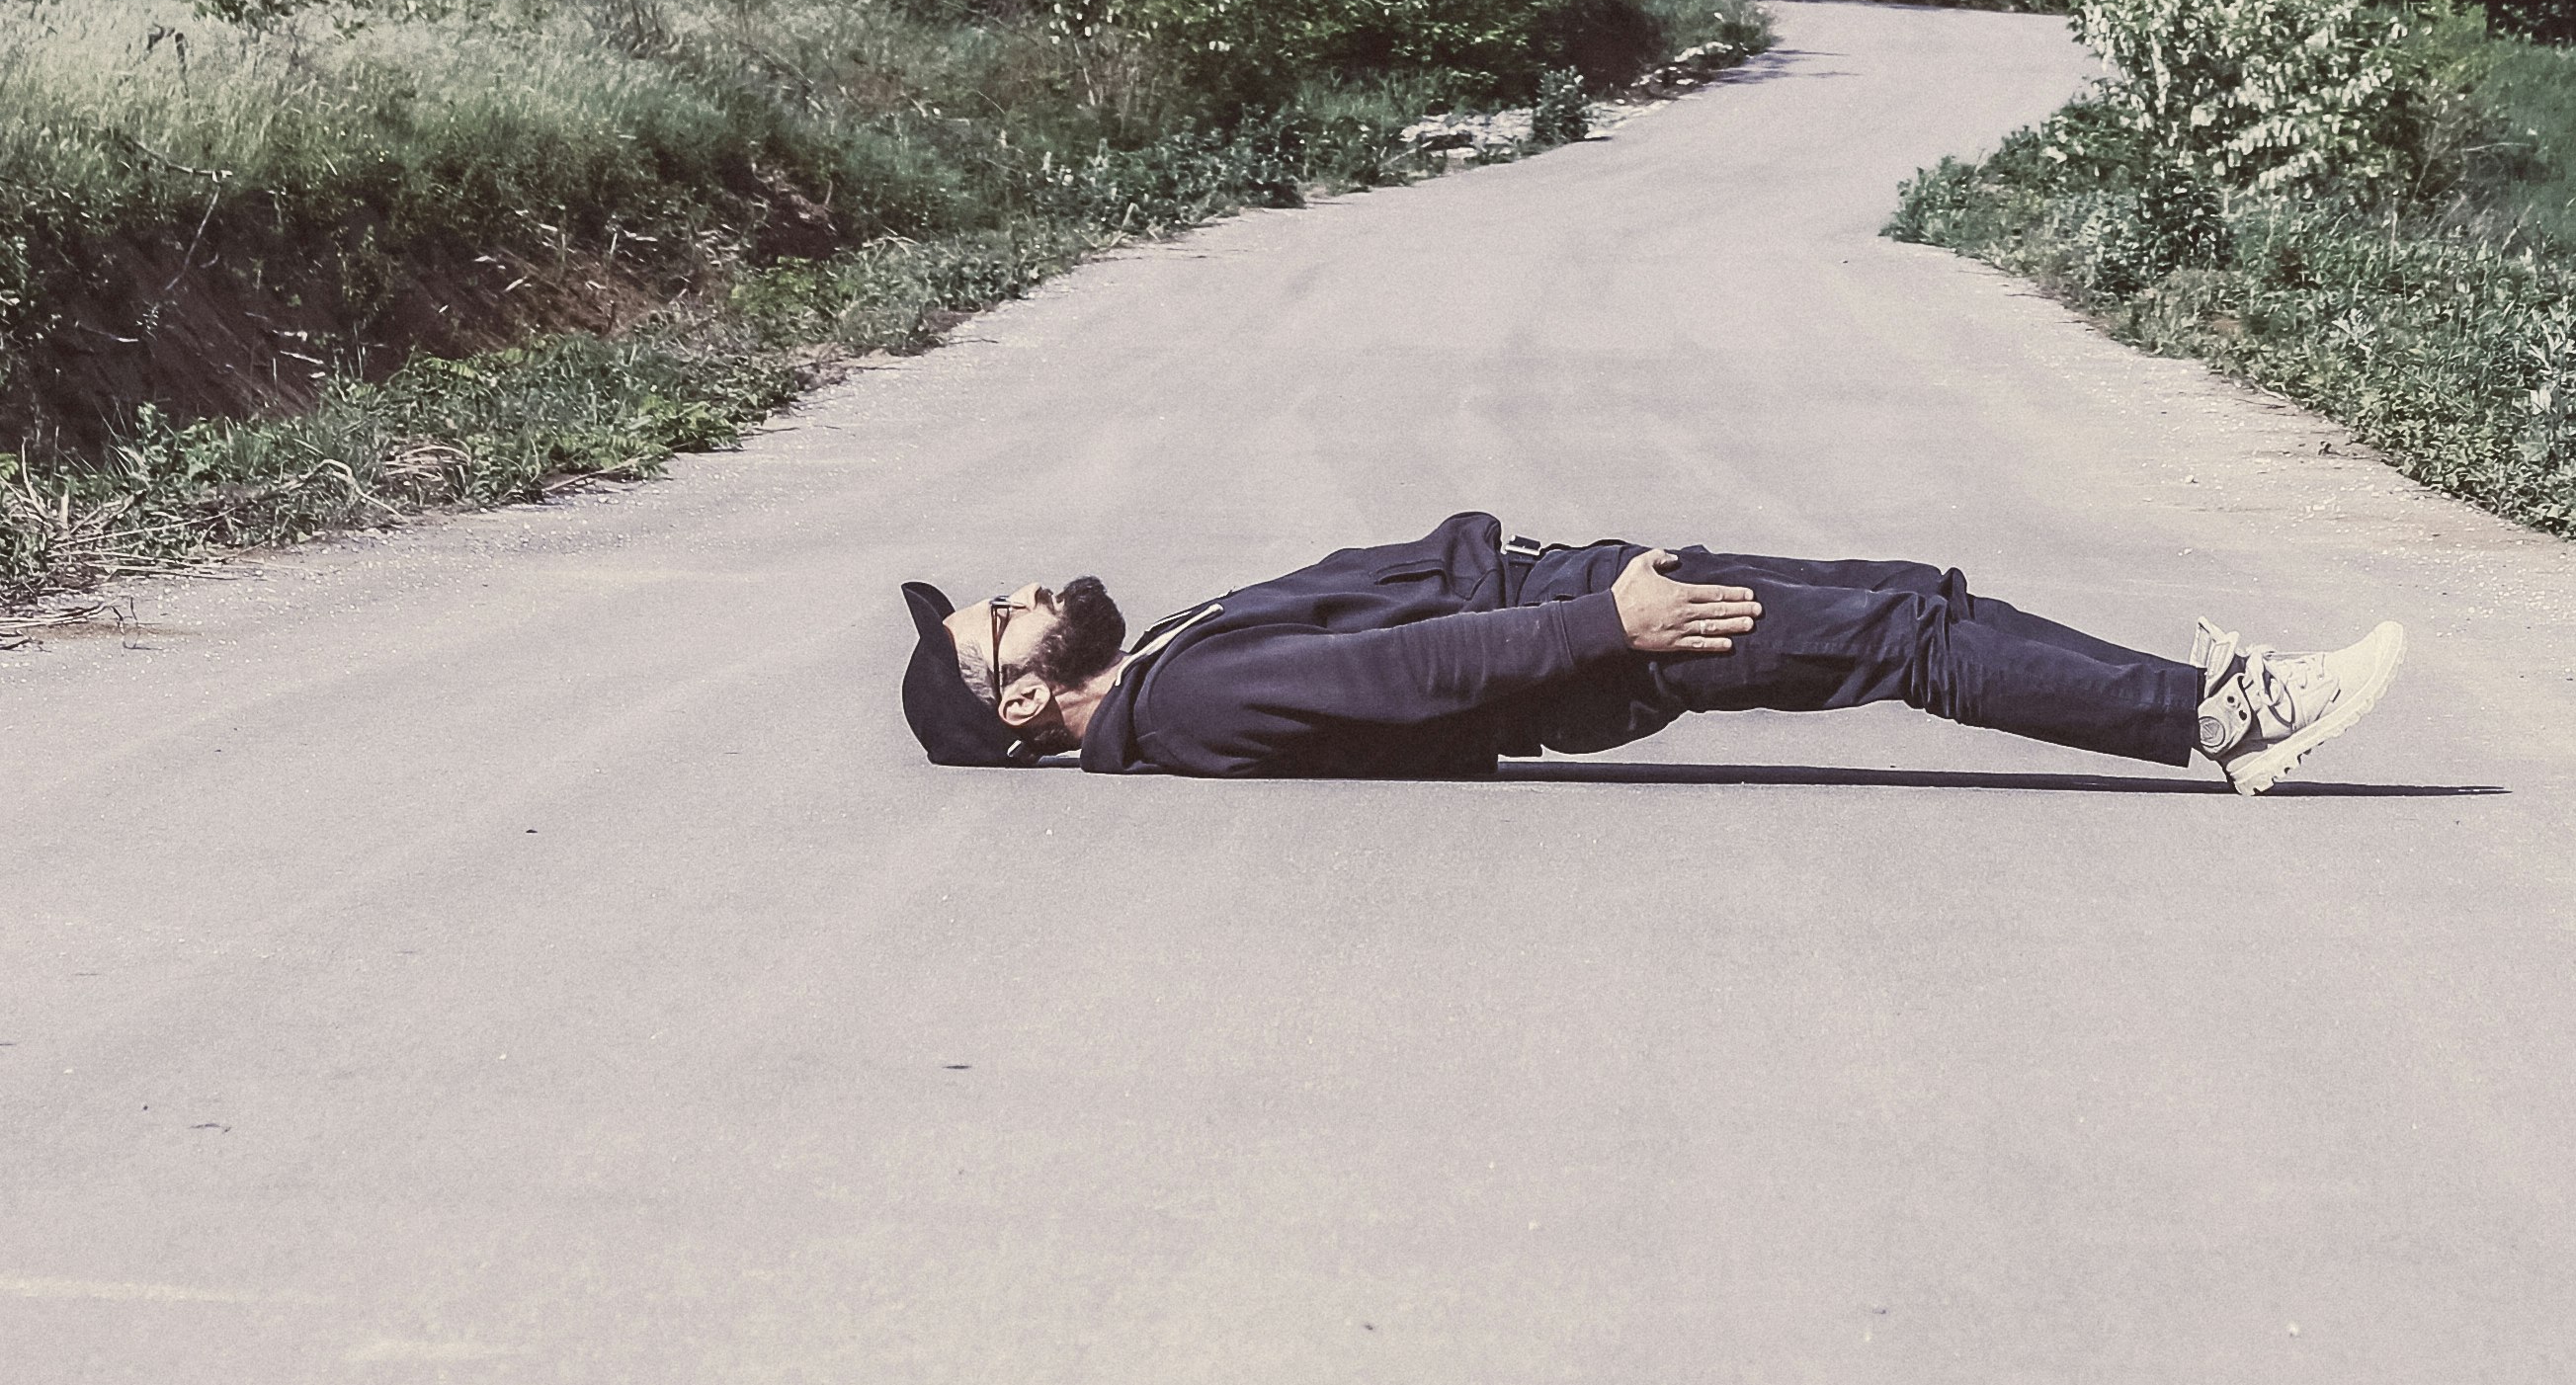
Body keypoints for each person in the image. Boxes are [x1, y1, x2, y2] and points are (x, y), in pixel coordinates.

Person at [898, 514, 2406, 792]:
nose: (1027, 588)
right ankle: (2224, 719)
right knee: (1906, 632)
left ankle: (2200, 705)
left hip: (1589, 607)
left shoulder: (1169, 670)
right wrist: (1601, 621)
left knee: (1905, 606)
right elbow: (1411, 679)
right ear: (1025, 698)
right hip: (1601, 637)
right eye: (1002, 618)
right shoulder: (1193, 694)